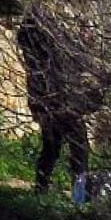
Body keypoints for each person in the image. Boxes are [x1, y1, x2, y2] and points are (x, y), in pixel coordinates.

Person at [18, 12, 93, 194]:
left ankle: (41, 189)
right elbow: (73, 69)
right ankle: (79, 196)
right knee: (79, 150)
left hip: (45, 104)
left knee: (51, 148)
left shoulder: (35, 53)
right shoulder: (56, 53)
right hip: (64, 105)